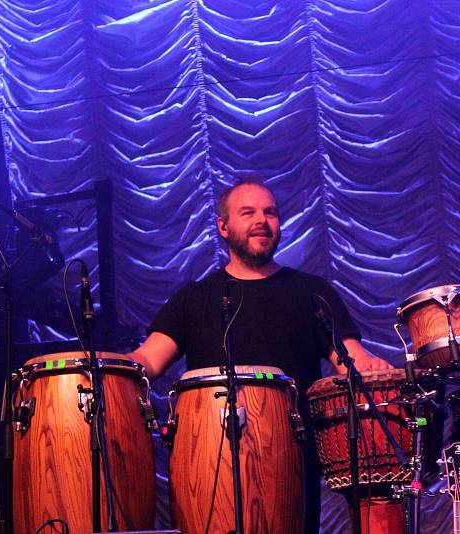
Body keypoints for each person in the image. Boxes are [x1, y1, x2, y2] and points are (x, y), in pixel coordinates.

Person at [129, 180, 391, 533]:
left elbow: (350, 357)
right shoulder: (195, 298)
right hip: (208, 455)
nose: (262, 221)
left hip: (291, 457)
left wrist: (373, 366)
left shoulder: (311, 292)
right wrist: (104, 365)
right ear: (223, 226)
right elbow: (148, 360)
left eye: (270, 212)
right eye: (248, 212)